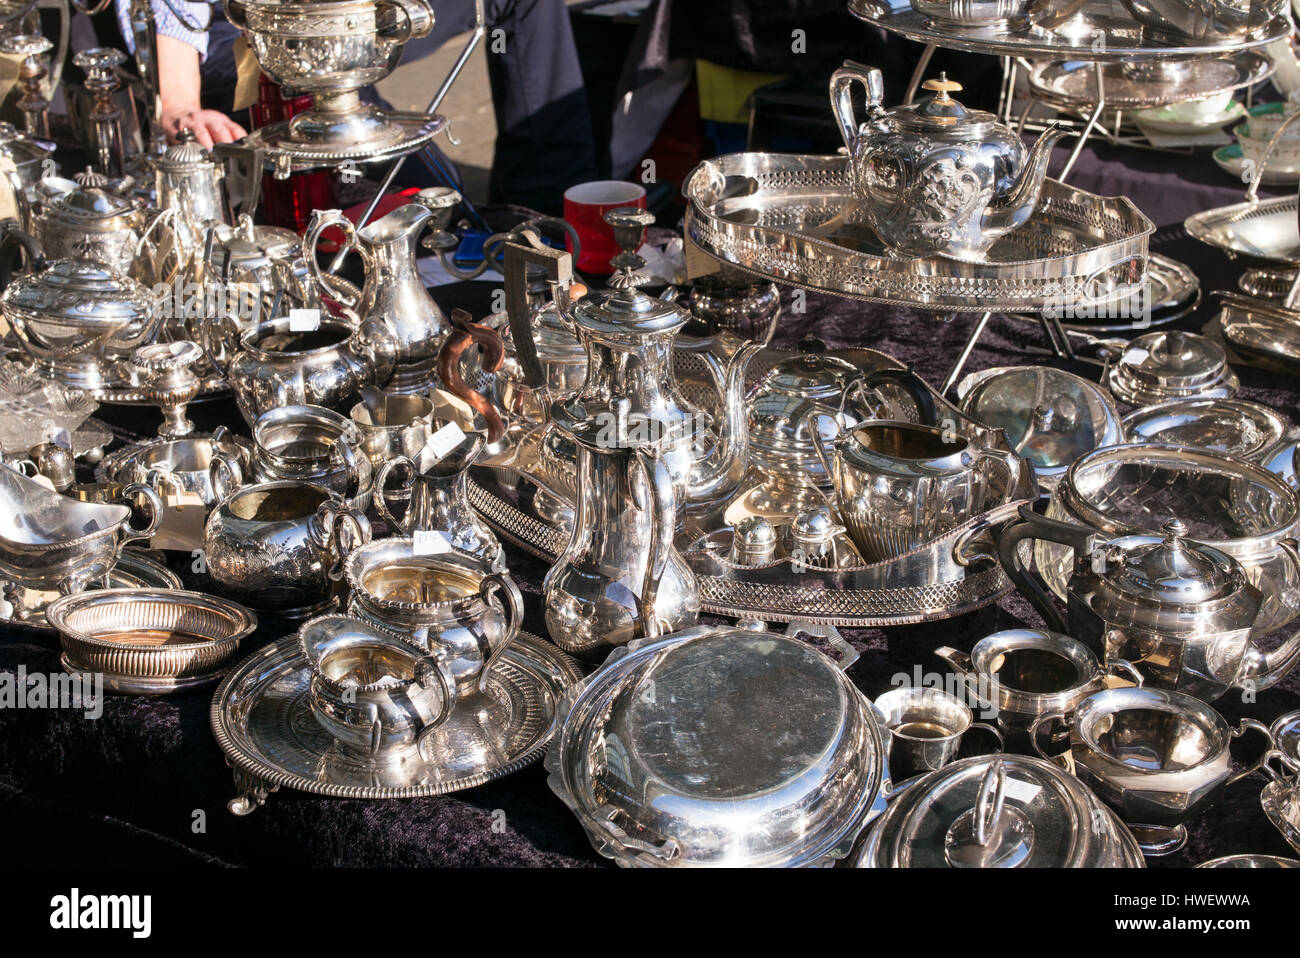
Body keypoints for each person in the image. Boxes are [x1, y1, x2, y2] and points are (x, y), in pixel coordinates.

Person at [114, 0, 598, 211]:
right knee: (430, 205)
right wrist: (178, 101)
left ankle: (547, 212)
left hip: (349, 15)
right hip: (239, 30)